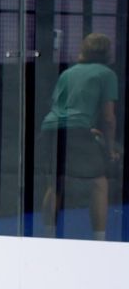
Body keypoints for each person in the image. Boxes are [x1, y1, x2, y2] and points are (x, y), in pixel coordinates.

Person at [39, 32, 121, 240]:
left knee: (56, 182)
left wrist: (85, 128)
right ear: (107, 52)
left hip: (51, 127)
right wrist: (110, 149)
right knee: (99, 183)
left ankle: (47, 235)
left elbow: (60, 107)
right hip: (77, 130)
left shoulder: (68, 73)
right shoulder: (106, 74)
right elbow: (109, 118)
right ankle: (99, 240)